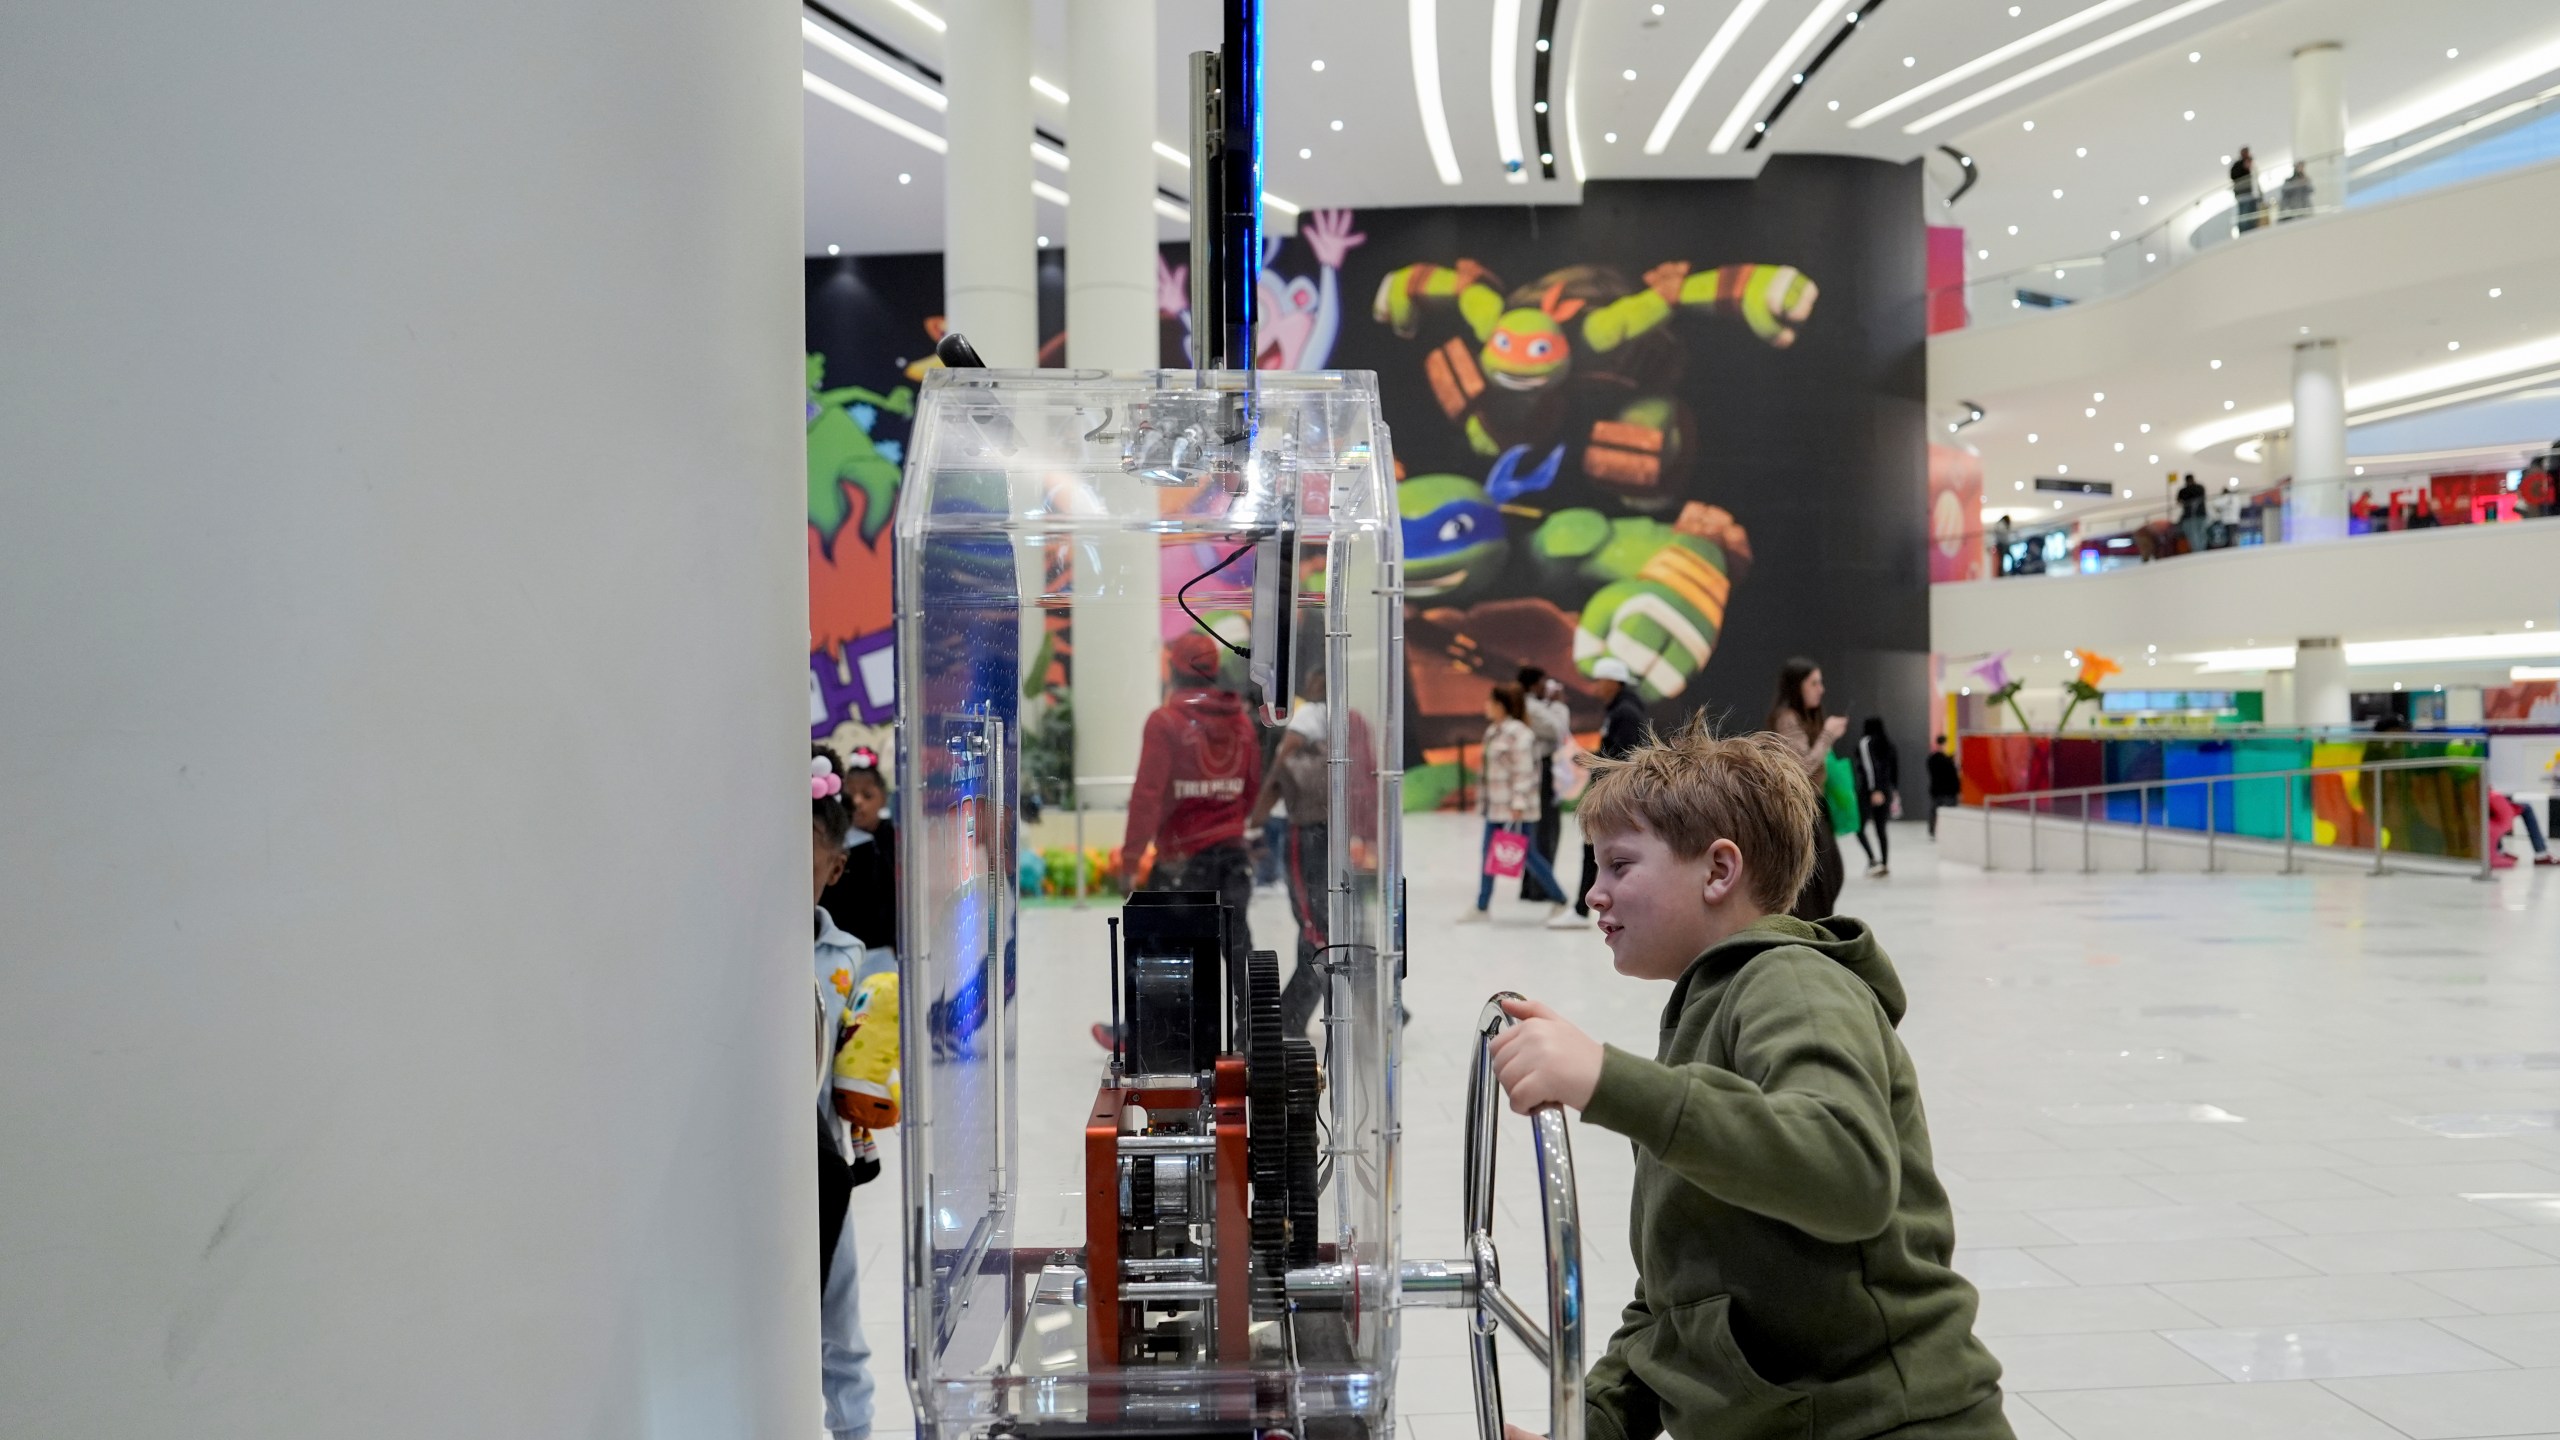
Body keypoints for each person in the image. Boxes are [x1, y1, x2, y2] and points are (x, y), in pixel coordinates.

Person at [1485, 720, 2014, 1440]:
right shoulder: (1708, 1009)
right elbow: (1683, 1292)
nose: (1593, 896)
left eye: (1618, 865)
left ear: (1718, 870)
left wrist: (1608, 1079)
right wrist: (1595, 1423)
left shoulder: (1791, 981)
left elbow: (1847, 1170)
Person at [1101, 630, 1263, 1048]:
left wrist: (1132, 859)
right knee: (1237, 944)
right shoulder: (1243, 723)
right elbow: (1250, 790)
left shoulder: (1166, 722)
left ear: (1173, 669)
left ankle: (1146, 1035)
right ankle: (1253, 1033)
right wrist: (1225, 823)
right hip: (1231, 856)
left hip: (1181, 863)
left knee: (1153, 946)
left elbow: (1148, 795)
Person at [811, 751, 883, 1440]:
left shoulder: (847, 957)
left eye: (807, 865)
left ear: (834, 870)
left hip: (825, 1164)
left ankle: (854, 1430)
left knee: (840, 1313)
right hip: (753, 1159)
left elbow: (854, 1065)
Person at [1247, 666, 1333, 1038]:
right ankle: (1291, 1014)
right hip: (1338, 831)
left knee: (1312, 923)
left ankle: (1292, 1014)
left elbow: (1283, 766)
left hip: (1306, 829)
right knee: (1320, 924)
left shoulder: (1312, 715)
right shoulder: (1352, 715)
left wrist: (1255, 821)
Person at [1461, 683, 1571, 924]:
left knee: (1527, 855)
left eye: (1490, 702)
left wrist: (1518, 805)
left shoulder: (1520, 734)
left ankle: (1560, 899)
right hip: (1495, 807)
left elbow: (1524, 773)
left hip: (1514, 809)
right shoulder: (1493, 731)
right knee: (1489, 853)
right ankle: (1482, 905)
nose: (1486, 706)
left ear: (1500, 705)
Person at [1766, 657, 1847, 922]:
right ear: (1797, 687)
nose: (1820, 689)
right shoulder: (1787, 719)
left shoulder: (1803, 717)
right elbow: (1802, 766)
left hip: (1815, 809)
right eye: (1814, 683)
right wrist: (1827, 736)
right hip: (1803, 812)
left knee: (1828, 878)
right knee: (1818, 885)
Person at [1571, 656, 1650, 925]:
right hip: (1612, 793)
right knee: (1599, 850)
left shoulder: (1625, 712)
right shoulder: (1620, 709)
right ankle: (1585, 908)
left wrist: (1600, 773)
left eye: (1600, 681)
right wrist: (1592, 758)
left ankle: (1583, 910)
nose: (1596, 688)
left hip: (1614, 796)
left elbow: (1623, 756)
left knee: (1597, 849)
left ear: (1614, 682)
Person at [819, 752, 896, 973]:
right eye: (851, 795)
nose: (858, 802)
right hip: (846, 952)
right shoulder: (836, 844)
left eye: (867, 795)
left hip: (886, 950)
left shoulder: (895, 838)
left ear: (883, 797)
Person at [1517, 666, 1572, 904]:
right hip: (1541, 772)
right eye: (1542, 683)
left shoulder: (1530, 706)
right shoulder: (1530, 707)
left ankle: (1532, 886)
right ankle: (1540, 887)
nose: (1546, 687)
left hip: (1539, 771)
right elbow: (1558, 730)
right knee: (1545, 830)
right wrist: (1558, 705)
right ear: (1531, 685)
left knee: (1538, 830)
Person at [1851, 716, 1899, 879]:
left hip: (1870, 791)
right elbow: (1894, 770)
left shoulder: (1866, 743)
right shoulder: (1889, 745)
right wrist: (1891, 790)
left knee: (1859, 827)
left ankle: (1872, 860)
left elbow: (1870, 767)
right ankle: (1884, 864)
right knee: (1881, 828)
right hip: (1885, 790)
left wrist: (1874, 789)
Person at [1926, 735, 1962, 839]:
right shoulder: (1947, 762)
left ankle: (1932, 831)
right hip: (1948, 792)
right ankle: (1948, 832)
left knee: (1934, 812)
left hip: (1936, 790)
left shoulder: (1932, 759)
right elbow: (1953, 776)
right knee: (1949, 813)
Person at [2230, 146, 2263, 232]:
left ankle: (2253, 229)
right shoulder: (2237, 165)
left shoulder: (2252, 163)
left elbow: (2256, 178)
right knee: (2244, 214)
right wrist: (2244, 167)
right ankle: (2244, 231)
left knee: (2252, 214)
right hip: (2243, 194)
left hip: (2252, 194)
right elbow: (2234, 176)